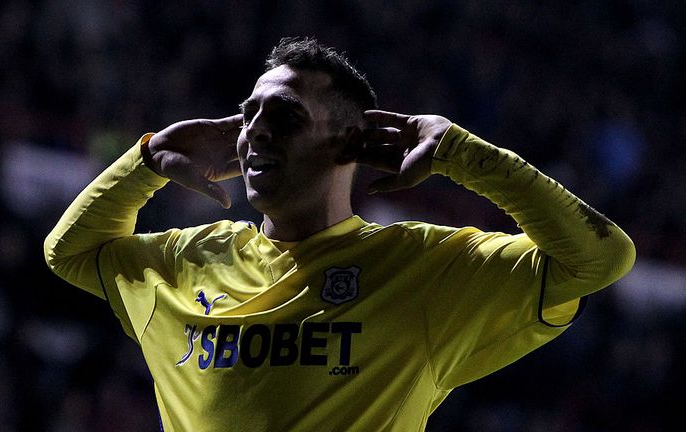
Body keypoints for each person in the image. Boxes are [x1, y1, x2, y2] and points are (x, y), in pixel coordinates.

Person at [44, 37, 635, 431]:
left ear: (348, 144)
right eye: (246, 116)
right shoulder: (188, 261)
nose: (254, 134)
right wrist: (149, 157)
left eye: (284, 116)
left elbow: (597, 260)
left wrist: (465, 155)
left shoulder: (422, 270)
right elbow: (67, 252)